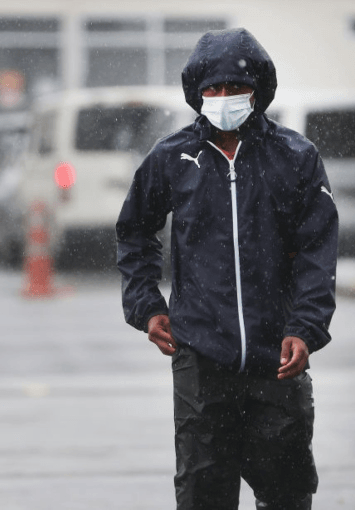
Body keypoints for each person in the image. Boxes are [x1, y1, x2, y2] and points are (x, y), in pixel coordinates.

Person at [116, 28, 338, 510]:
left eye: (234, 88)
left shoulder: (294, 157)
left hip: (277, 356)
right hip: (200, 357)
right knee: (203, 494)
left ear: (257, 90)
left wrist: (306, 326)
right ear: (197, 93)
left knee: (286, 494)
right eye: (212, 89)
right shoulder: (173, 157)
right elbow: (135, 231)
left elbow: (318, 248)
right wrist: (146, 305)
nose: (223, 98)